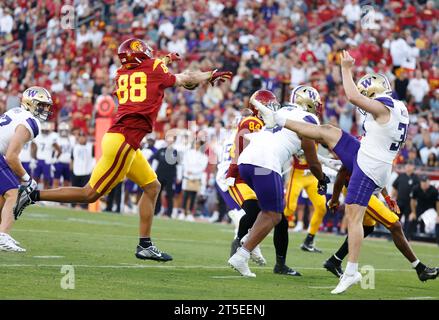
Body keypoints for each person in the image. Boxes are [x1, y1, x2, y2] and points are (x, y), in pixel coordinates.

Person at [14, 38, 233, 262]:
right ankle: (32, 195)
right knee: (90, 194)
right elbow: (185, 78)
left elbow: (150, 70)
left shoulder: (121, 74)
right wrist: (209, 74)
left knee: (152, 186)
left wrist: (166, 59)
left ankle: (145, 245)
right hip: (124, 142)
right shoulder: (153, 68)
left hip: (121, 139)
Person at [252, 51, 409, 294]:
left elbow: (352, 96)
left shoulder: (384, 107)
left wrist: (346, 68)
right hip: (370, 157)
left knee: (354, 217)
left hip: (369, 164)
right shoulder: (398, 107)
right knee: (327, 130)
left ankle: (351, 270)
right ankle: (278, 120)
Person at [228, 90, 329, 277]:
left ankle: (247, 245)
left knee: (270, 212)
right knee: (274, 215)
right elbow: (311, 160)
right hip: (266, 163)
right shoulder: (308, 120)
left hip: (247, 162)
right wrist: (322, 178)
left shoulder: (282, 111)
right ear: (310, 104)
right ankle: (242, 253)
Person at [324, 165, 439, 282]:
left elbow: (379, 177)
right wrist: (334, 199)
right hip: (359, 191)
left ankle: (335, 261)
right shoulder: (363, 149)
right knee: (395, 225)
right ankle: (420, 269)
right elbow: (342, 172)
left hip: (365, 191)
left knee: (368, 227)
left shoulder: (383, 153)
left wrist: (387, 197)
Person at [0, 86, 53, 252]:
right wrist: (27, 179)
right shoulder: (31, 122)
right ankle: (3, 235)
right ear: (30, 103)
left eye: (47, 105)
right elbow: (11, 156)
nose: (45, 109)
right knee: (13, 193)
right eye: (41, 105)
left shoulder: (16, 111)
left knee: (4, 196)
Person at [283, 85, 328, 253]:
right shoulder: (297, 122)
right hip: (298, 172)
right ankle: (267, 232)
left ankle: (309, 240)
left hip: (312, 174)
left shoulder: (313, 123)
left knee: (321, 206)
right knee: (289, 208)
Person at [392, 160, 419, 234]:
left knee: (408, 220)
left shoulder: (416, 178)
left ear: (413, 167)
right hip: (399, 202)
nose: (408, 167)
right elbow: (395, 187)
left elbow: (417, 192)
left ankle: (406, 236)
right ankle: (393, 235)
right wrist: (392, 198)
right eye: (407, 165)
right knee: (395, 219)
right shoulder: (401, 176)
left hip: (409, 203)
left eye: (410, 165)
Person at [409, 175, 439, 241]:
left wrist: (438, 215)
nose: (424, 183)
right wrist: (413, 212)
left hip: (430, 209)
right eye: (423, 182)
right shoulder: (416, 188)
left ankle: (437, 240)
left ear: (429, 182)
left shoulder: (434, 190)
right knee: (411, 218)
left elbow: (437, 203)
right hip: (419, 208)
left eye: (426, 182)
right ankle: (408, 238)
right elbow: (412, 201)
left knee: (437, 221)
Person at [33, 121, 61, 189]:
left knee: (46, 181)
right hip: (39, 160)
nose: (45, 131)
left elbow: (59, 151)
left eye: (46, 130)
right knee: (35, 180)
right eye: (44, 130)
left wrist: (54, 159)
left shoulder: (52, 137)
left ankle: (45, 197)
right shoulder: (38, 136)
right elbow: (33, 148)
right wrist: (33, 158)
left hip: (47, 161)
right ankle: (33, 195)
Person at [53, 122, 74, 189]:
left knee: (67, 182)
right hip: (58, 162)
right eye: (62, 130)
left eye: (65, 130)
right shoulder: (56, 137)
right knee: (56, 180)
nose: (64, 132)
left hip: (68, 163)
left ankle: (65, 197)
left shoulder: (72, 138)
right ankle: (54, 197)